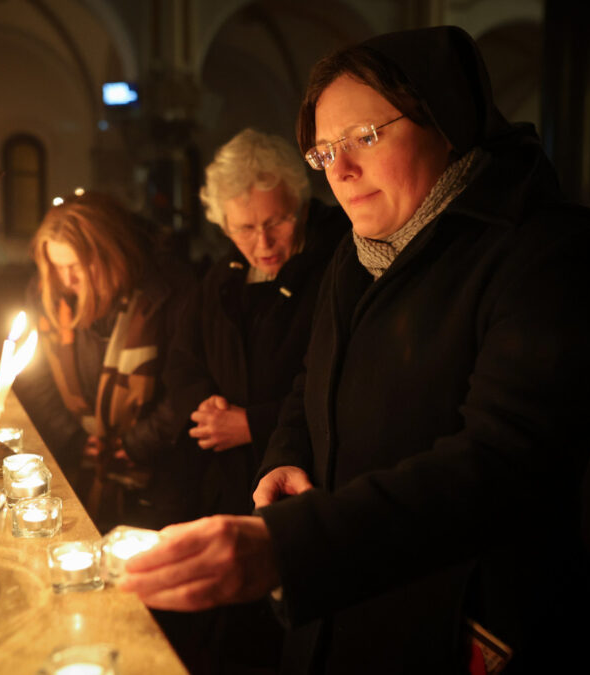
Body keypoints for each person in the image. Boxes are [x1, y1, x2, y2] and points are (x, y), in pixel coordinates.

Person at [121, 26, 590, 674]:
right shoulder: (358, 258)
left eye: (364, 137)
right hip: (346, 602)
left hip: (468, 622)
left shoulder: (549, 254)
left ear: (446, 117)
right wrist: (283, 456)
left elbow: (502, 466)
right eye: (325, 152)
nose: (342, 170)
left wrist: (289, 548)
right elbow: (313, 376)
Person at [160, 128, 349, 672]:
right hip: (223, 476)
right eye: (245, 228)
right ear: (223, 224)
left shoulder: (335, 265)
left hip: (296, 479)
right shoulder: (223, 275)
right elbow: (181, 361)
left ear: (300, 203)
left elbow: (327, 376)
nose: (263, 242)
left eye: (277, 221)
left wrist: (253, 424)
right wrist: (210, 411)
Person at [12, 191, 192, 530]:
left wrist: (137, 444)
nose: (67, 280)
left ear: (110, 254)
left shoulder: (164, 293)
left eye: (76, 266)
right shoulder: (48, 296)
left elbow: (186, 384)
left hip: (159, 476)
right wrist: (73, 440)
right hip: (76, 460)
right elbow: (36, 378)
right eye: (57, 266)